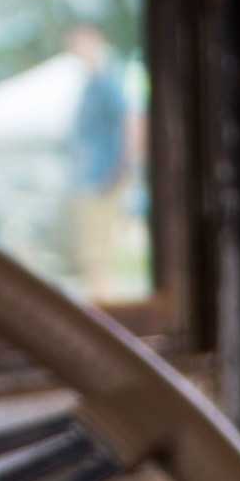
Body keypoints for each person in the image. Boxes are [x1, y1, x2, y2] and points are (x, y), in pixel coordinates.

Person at [64, 24, 131, 292]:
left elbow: (128, 122)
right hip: (90, 176)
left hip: (101, 177)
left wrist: (119, 169)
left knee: (97, 253)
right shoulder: (90, 83)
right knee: (89, 254)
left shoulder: (106, 81)